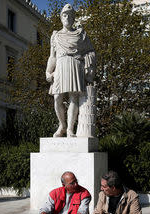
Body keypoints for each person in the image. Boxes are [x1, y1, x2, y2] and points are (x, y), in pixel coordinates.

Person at [46, 4, 96, 137]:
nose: (67, 17)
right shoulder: (56, 36)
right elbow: (52, 56)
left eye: (70, 15)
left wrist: (88, 66)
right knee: (57, 98)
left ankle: (70, 129)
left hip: (75, 64)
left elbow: (90, 51)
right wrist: (48, 71)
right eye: (65, 15)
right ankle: (62, 125)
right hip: (60, 65)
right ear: (61, 18)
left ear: (74, 18)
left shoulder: (81, 35)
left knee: (73, 97)